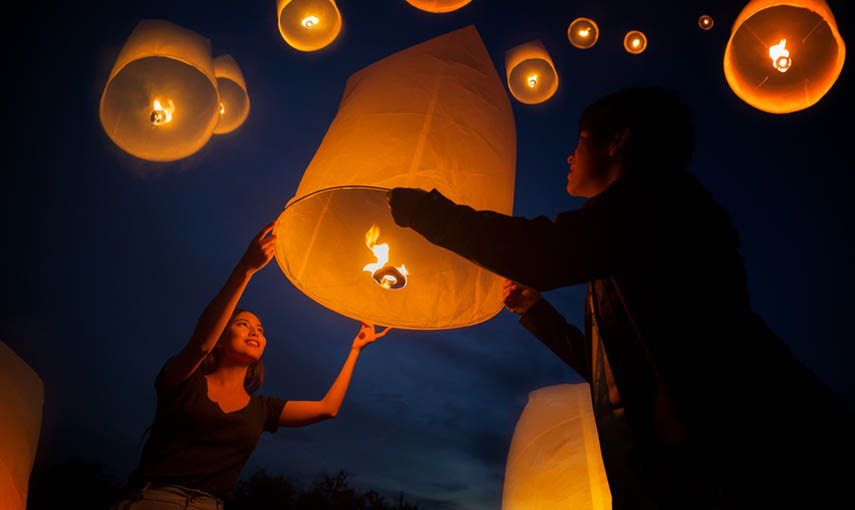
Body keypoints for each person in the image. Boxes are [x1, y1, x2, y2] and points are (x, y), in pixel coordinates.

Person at [387, 88, 852, 508]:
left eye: (581, 140)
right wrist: (536, 311)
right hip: (685, 466)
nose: (570, 156)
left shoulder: (658, 204)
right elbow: (606, 370)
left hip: (746, 452)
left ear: (617, 141)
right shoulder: (627, 238)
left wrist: (425, 211)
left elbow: (541, 251)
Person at [113, 221, 389, 509]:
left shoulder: (262, 409)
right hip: (153, 500)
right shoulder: (183, 381)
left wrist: (355, 350)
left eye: (260, 328)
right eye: (243, 324)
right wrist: (246, 269)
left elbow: (327, 408)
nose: (255, 332)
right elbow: (201, 345)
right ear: (221, 338)